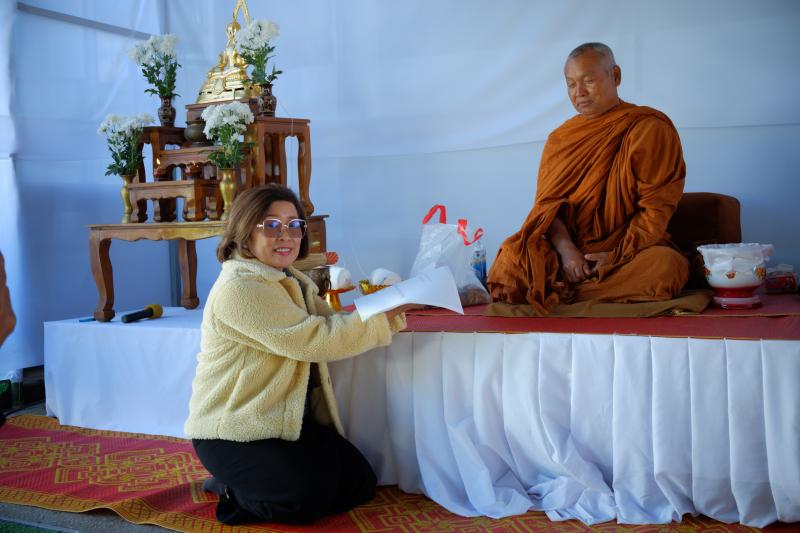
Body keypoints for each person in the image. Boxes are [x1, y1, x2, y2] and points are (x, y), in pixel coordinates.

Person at [185, 184, 413, 525]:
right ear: (245, 230)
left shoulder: (288, 278)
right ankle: (231, 488)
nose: (286, 235)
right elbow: (316, 340)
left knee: (360, 482)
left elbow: (331, 321)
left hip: (282, 422)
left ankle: (262, 480)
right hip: (233, 429)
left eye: (294, 225)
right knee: (301, 501)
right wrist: (386, 316)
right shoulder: (240, 288)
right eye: (271, 225)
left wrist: (391, 309)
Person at [487, 42, 688, 313]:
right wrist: (566, 250)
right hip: (570, 258)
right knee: (509, 262)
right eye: (571, 84)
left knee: (666, 267)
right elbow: (547, 209)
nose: (579, 93)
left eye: (588, 81)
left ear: (615, 76)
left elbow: (656, 210)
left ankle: (563, 292)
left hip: (629, 253)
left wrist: (616, 256)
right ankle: (585, 289)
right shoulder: (560, 139)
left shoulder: (648, 129)